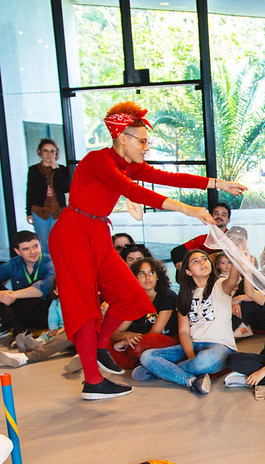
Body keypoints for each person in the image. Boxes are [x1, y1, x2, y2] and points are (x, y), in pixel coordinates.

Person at [48, 101, 246, 400]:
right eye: (141, 141)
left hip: (97, 231)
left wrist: (218, 183)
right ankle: (93, 382)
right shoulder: (98, 160)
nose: (146, 147)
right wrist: (188, 209)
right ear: (122, 138)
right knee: (84, 308)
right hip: (74, 233)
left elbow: (169, 178)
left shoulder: (126, 164)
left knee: (132, 297)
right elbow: (135, 192)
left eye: (146, 141)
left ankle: (100, 347)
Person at [133, 249, 240, 394]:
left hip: (220, 346)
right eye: (195, 261)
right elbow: (183, 331)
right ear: (188, 271)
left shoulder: (220, 285)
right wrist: (191, 356)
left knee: (204, 361)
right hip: (193, 345)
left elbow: (233, 279)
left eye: (204, 259)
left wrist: (236, 255)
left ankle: (158, 371)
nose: (202, 262)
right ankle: (191, 381)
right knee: (147, 356)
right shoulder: (185, 295)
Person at [106, 257, 178, 369]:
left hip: (167, 340)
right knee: (107, 340)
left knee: (147, 342)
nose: (148, 277)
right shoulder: (134, 299)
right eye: (142, 274)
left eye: (151, 273)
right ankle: (137, 365)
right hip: (143, 341)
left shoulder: (167, 295)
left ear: (157, 276)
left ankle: (136, 359)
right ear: (135, 277)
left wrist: (124, 343)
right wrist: (127, 335)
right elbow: (116, 333)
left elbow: (155, 332)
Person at [0, 285, 74, 368]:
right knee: (49, 337)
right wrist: (54, 330)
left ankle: (29, 354)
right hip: (64, 331)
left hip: (73, 330)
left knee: (66, 335)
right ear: (55, 292)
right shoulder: (56, 304)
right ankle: (32, 347)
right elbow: (53, 319)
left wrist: (65, 328)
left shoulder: (76, 301)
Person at [0, 231, 55, 337]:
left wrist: (12, 295)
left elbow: (44, 288)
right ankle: (16, 329)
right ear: (17, 251)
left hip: (45, 313)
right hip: (21, 313)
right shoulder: (14, 263)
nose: (32, 252)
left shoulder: (50, 263)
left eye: (35, 246)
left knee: (34, 286)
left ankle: (17, 330)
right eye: (26, 249)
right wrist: (2, 295)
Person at [26, 138, 69, 255]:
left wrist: (56, 169)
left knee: (57, 240)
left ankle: (57, 264)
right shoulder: (33, 170)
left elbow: (66, 188)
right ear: (40, 152)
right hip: (39, 210)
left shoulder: (62, 169)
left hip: (58, 210)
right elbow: (30, 191)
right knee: (43, 242)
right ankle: (47, 265)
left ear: (56, 153)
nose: (49, 154)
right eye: (45, 151)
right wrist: (28, 212)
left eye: (52, 151)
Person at [170, 202, 232, 270]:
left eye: (223, 215)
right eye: (216, 214)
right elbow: (176, 252)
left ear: (229, 219)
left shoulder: (234, 238)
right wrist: (184, 267)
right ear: (210, 217)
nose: (219, 216)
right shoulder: (203, 239)